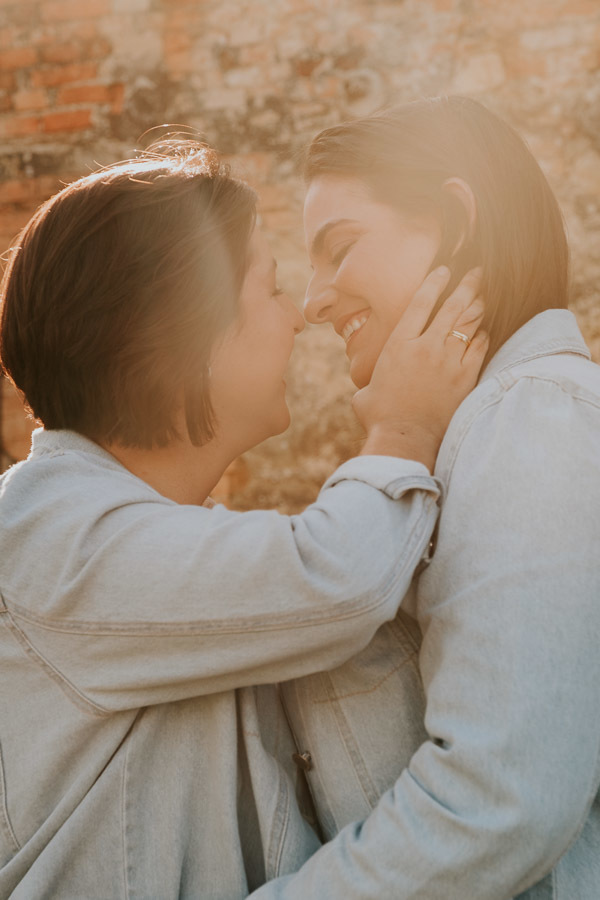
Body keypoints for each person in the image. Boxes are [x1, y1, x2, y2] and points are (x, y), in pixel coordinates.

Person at [0, 140, 486, 898]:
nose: (298, 319)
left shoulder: (133, 534)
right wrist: (403, 430)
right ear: (185, 335)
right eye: (271, 289)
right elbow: (338, 579)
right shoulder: (49, 540)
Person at [251, 96, 600, 899]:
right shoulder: (484, 431)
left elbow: (503, 801)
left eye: (338, 249)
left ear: (455, 219)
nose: (314, 300)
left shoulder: (532, 414)